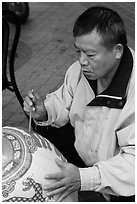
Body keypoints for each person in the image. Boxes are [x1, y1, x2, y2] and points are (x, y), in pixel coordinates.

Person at [23, 6, 135, 202]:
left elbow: (133, 164)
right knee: (42, 129)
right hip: (86, 157)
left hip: (122, 180)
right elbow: (63, 101)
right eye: (78, 51)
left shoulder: (133, 91)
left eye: (90, 55)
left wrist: (84, 178)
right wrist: (44, 110)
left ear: (117, 51)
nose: (81, 61)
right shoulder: (79, 71)